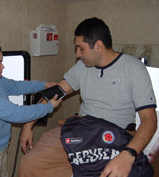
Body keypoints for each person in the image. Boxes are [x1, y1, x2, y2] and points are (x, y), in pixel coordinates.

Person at [19, 17, 157, 177]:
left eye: (81, 49)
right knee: (30, 164)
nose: (77, 55)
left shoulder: (134, 68)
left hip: (113, 135)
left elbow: (149, 119)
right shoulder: (82, 68)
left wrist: (128, 154)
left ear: (98, 46)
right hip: (80, 131)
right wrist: (28, 125)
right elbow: (55, 93)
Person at [0, 41, 62, 177]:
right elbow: (17, 114)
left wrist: (43, 85)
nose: (2, 66)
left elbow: (15, 86)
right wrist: (48, 107)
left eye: (1, 62)